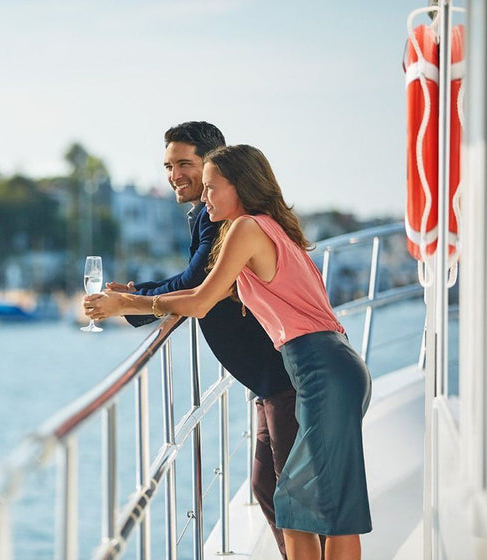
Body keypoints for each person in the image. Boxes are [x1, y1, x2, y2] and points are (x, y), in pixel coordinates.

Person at [85, 144, 372, 560]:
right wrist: (132, 301)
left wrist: (133, 305)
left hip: (319, 368)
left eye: (210, 187)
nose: (204, 198)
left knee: (309, 507)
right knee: (315, 506)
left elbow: (200, 299)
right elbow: (206, 294)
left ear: (239, 186)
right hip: (329, 365)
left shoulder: (247, 230)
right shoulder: (269, 229)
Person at [103, 122, 299, 559]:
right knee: (269, 486)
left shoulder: (228, 222)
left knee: (293, 496)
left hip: (285, 378)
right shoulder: (210, 217)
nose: (175, 175)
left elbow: (197, 286)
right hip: (269, 380)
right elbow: (193, 282)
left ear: (215, 163)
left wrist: (130, 303)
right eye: (169, 166)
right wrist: (137, 294)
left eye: (185, 164)